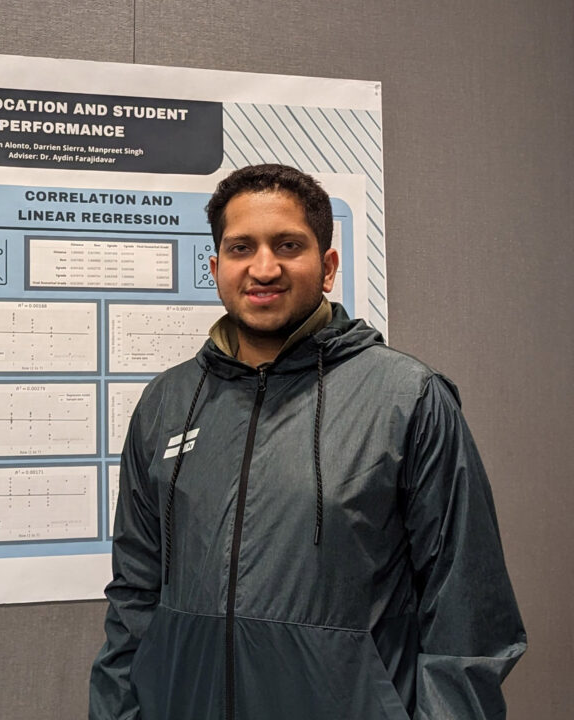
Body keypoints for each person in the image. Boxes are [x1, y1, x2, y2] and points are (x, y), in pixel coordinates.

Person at [89, 164, 525, 719]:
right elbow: (134, 596)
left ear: (327, 267)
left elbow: (468, 620)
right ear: (215, 266)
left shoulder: (408, 399)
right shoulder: (166, 404)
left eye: (288, 245)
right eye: (241, 247)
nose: (263, 267)